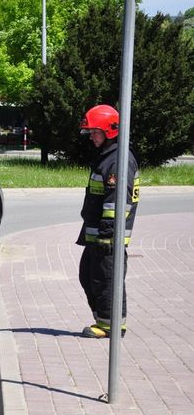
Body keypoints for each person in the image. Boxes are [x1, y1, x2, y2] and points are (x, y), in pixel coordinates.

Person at [77, 104, 139, 339]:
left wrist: (107, 233)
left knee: (107, 280)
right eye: (90, 132)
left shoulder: (117, 161)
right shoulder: (107, 157)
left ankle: (111, 326)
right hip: (97, 234)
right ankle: (103, 319)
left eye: (95, 132)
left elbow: (117, 202)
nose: (91, 136)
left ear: (110, 131)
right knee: (89, 275)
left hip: (107, 236)